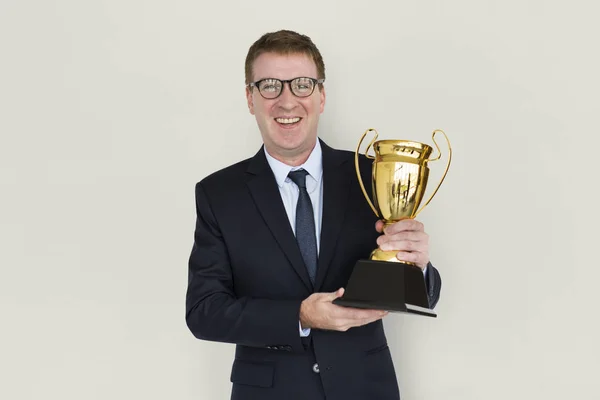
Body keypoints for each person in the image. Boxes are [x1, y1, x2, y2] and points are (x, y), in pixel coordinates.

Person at [185, 29, 442, 400]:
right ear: (249, 98)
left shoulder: (373, 177)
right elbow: (204, 311)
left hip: (365, 389)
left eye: (302, 85)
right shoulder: (218, 194)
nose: (287, 101)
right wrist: (299, 316)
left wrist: (418, 267)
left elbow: (423, 296)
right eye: (270, 85)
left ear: (321, 96)